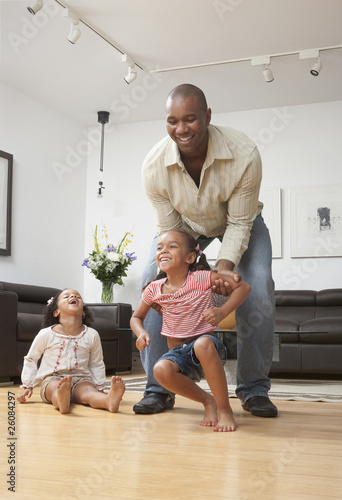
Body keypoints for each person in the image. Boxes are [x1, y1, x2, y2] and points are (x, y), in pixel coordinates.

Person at [134, 83, 277, 418]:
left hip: (240, 221)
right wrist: (180, 272)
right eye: (172, 121)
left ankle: (253, 389)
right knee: (149, 278)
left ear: (208, 117)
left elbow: (239, 224)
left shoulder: (243, 154)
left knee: (257, 288)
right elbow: (169, 232)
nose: (181, 129)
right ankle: (159, 387)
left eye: (190, 119)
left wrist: (222, 270)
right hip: (185, 226)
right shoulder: (154, 166)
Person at [131, 230, 251, 431]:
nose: (163, 251)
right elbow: (136, 317)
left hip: (208, 350)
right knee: (160, 369)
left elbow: (244, 288)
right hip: (180, 357)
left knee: (203, 343)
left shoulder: (202, 278)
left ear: (190, 257)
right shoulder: (154, 288)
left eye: (172, 246)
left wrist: (221, 312)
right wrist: (141, 333)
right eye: (160, 247)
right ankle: (207, 401)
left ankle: (225, 411)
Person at [17, 289, 125, 414]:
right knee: (54, 390)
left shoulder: (91, 334)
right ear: (56, 312)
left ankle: (108, 401)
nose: (73, 296)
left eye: (78, 296)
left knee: (89, 393)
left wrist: (99, 387)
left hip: (82, 379)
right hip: (52, 378)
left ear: (83, 313)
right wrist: (28, 385)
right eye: (66, 296)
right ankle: (62, 400)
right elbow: (31, 358)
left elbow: (96, 363)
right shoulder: (46, 334)